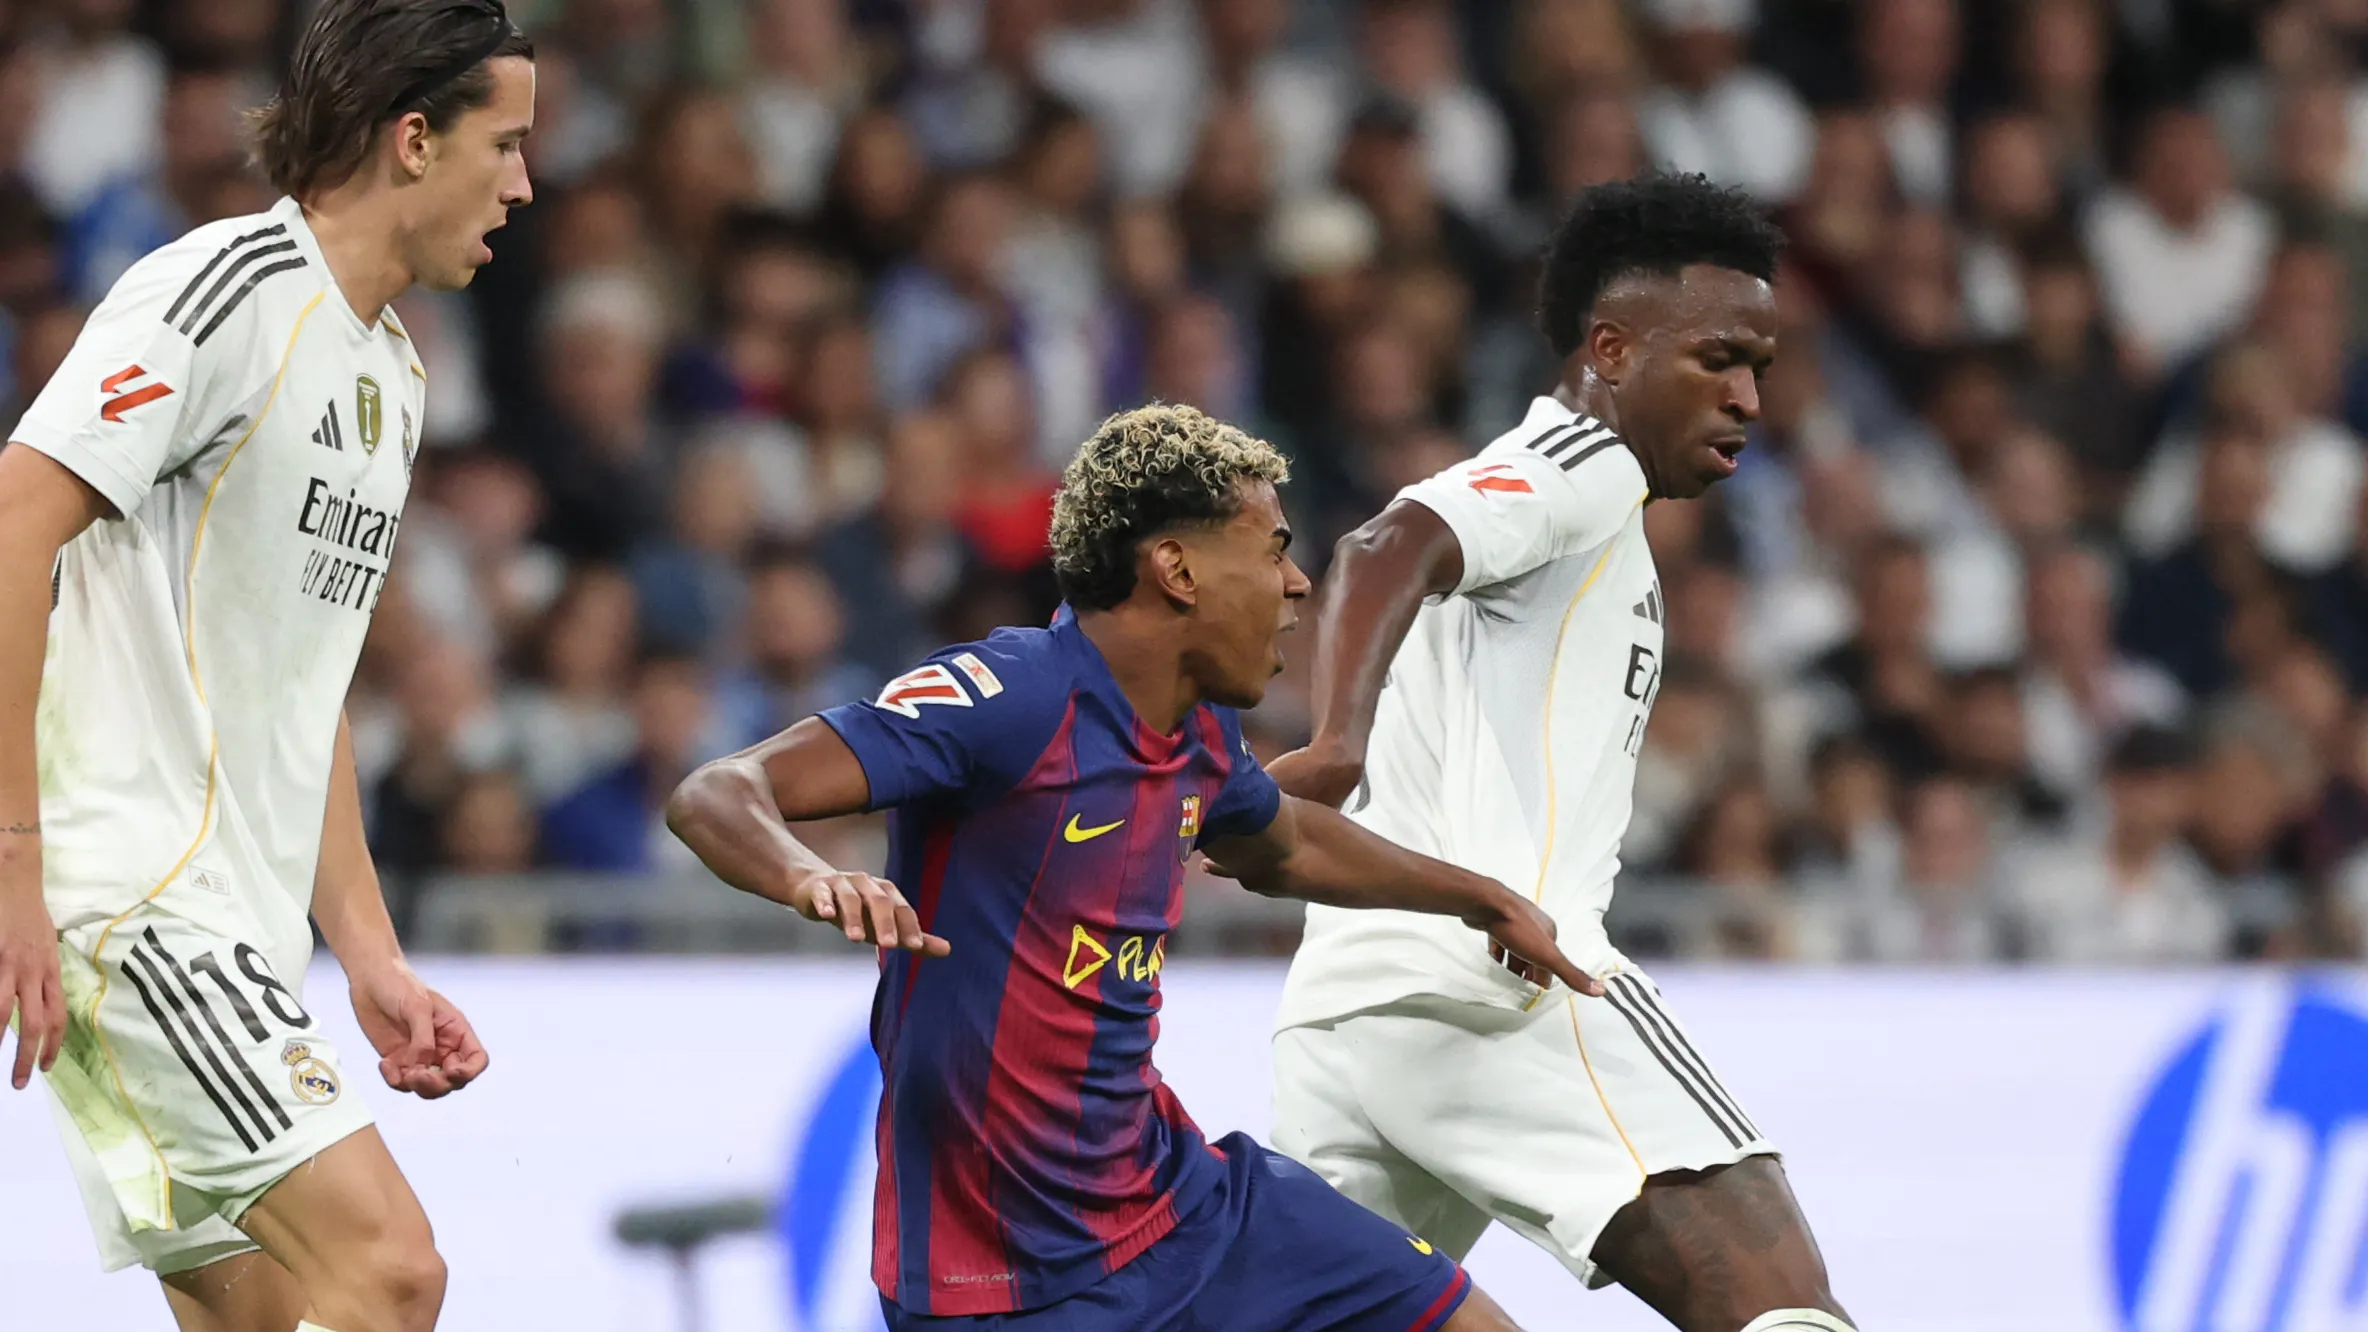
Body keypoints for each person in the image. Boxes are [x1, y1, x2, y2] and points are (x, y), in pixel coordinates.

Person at [666, 403, 1593, 1332]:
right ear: (1178, 569)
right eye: (1272, 550)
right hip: (1001, 1283)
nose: (1298, 582)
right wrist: (807, 875)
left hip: (1183, 1204)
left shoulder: (1198, 727)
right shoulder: (1009, 697)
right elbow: (718, 790)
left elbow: (1286, 842)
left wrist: (1478, 898)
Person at [0, 4, 534, 1330]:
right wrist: (13, 859)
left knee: (268, 1313)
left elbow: (304, 682)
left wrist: (369, 955)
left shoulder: (393, 376)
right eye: (506, 144)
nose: (523, 186)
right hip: (132, 903)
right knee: (391, 1271)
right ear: (416, 140)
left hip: (231, 926)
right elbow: (14, 520)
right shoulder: (222, 292)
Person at [1263, 173, 1856, 1332]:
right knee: (1783, 1309)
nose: (1746, 398)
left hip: (1349, 1015)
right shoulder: (1581, 464)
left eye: (1759, 369)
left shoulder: (1593, 523)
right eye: (1718, 359)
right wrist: (1335, 743)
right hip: (1508, 986)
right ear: (1612, 350)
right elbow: (1386, 543)